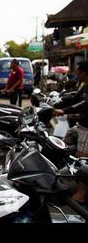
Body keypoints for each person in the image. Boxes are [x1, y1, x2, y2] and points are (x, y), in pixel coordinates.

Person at [54, 61, 88, 204]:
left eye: (78, 72)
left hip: (87, 127)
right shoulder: (84, 85)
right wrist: (54, 106)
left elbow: (84, 104)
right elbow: (75, 99)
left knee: (83, 159)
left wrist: (64, 111)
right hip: (81, 125)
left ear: (84, 73)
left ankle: (81, 193)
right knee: (69, 145)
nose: (76, 74)